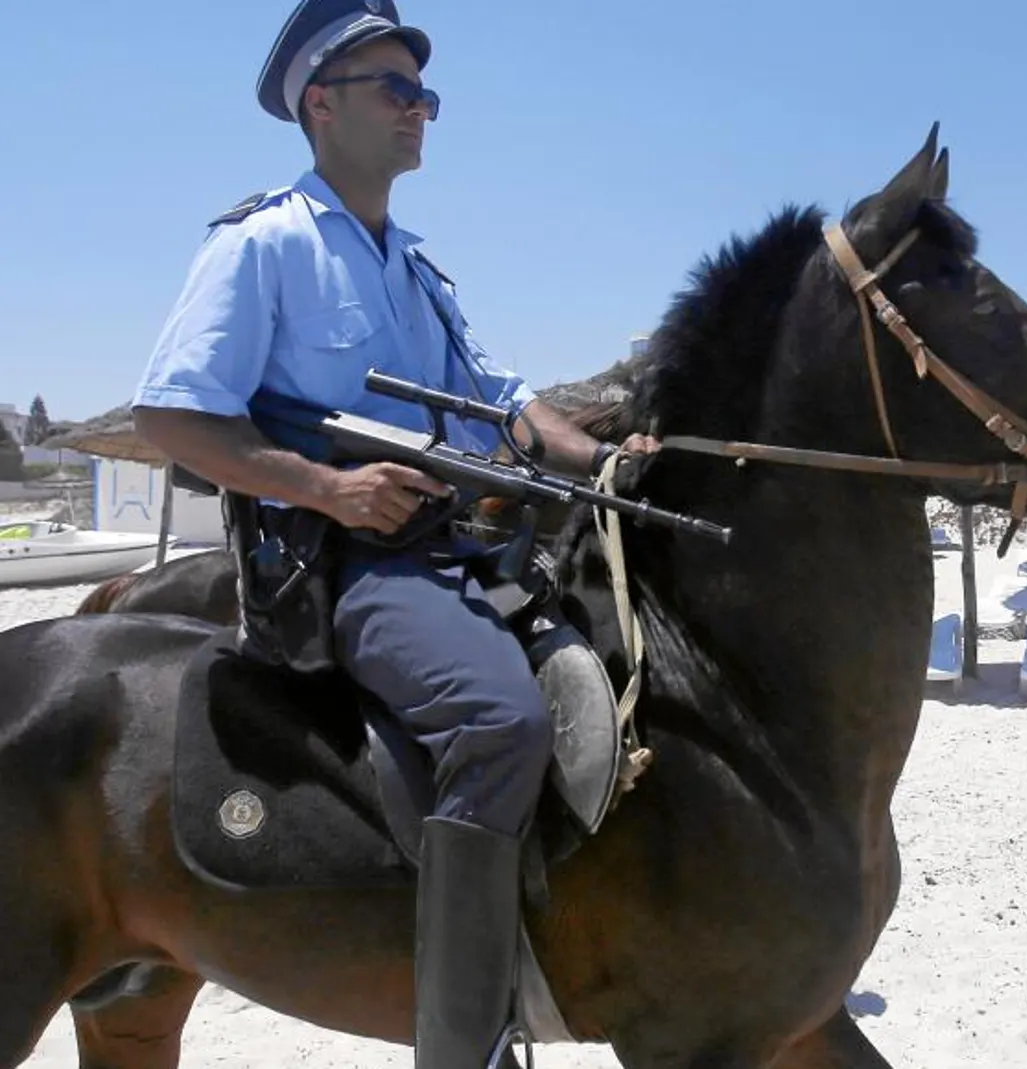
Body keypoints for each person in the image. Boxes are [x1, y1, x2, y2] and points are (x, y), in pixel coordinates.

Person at [128, 4, 654, 1064]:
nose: (422, 110)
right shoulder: (265, 241)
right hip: (347, 561)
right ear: (320, 105)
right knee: (500, 721)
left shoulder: (418, 269)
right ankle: (466, 1041)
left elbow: (507, 406)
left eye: (428, 95)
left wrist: (600, 462)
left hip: (455, 546)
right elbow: (172, 415)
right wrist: (327, 488)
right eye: (396, 90)